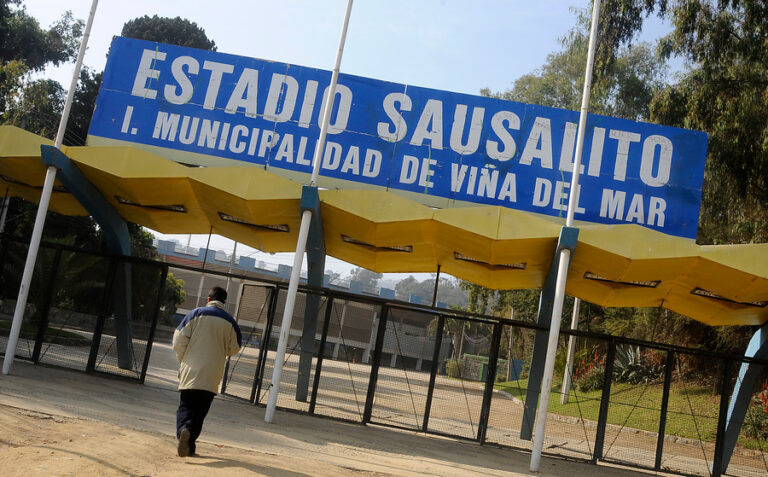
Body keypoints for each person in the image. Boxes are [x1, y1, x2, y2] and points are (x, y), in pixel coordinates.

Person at [172, 286, 242, 457]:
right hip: (212, 374)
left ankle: (183, 429)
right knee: (200, 411)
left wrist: (183, 359)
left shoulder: (195, 314)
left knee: (186, 407)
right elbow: (235, 348)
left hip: (191, 370)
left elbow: (178, 340)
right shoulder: (230, 322)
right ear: (224, 303)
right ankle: (190, 445)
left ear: (208, 299)